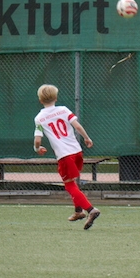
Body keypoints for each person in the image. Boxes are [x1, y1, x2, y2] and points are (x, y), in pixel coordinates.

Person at [34, 84, 101, 230]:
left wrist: (37, 148)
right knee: (73, 181)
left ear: (40, 100)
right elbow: (77, 126)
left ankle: (90, 210)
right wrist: (87, 138)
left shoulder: (39, 118)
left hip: (64, 155)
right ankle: (78, 211)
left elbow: (38, 140)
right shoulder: (64, 110)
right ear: (56, 98)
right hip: (77, 152)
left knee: (69, 185)